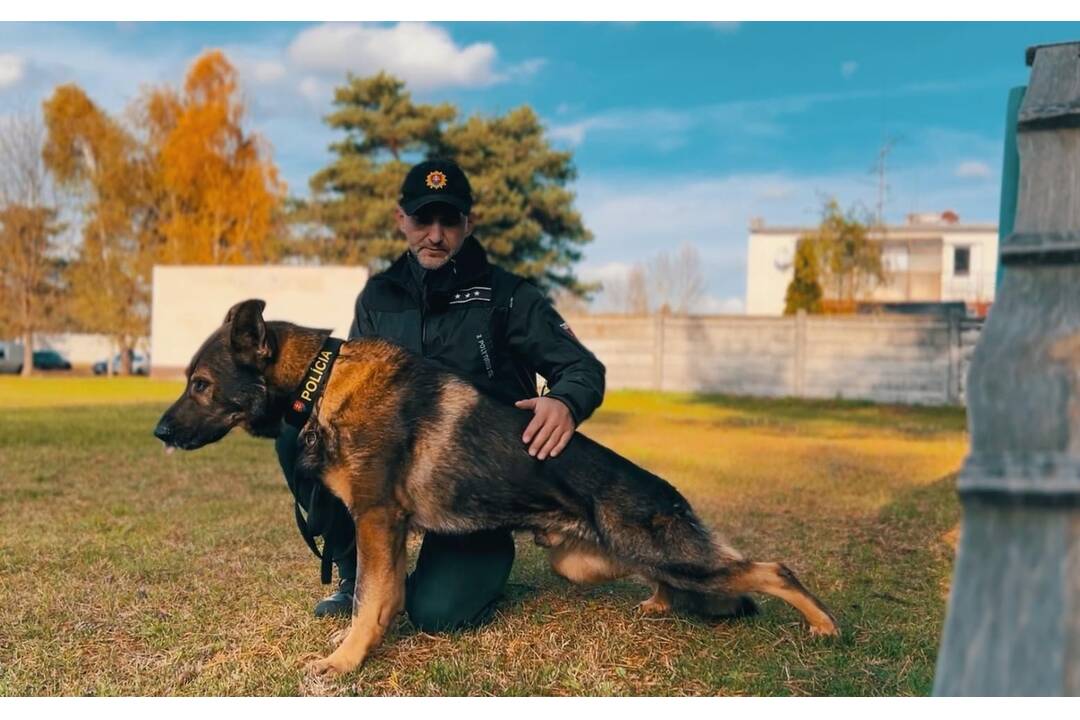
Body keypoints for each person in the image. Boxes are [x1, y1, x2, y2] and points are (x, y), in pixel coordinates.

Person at [276, 158, 606, 631]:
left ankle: (470, 566)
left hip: (475, 486)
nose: (435, 234)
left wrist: (565, 400)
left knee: (437, 615)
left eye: (449, 220)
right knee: (299, 438)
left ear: (468, 224)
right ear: (401, 220)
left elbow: (581, 367)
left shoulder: (509, 295)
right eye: (422, 219)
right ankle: (355, 577)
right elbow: (347, 392)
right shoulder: (377, 298)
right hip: (393, 469)